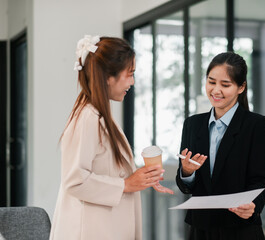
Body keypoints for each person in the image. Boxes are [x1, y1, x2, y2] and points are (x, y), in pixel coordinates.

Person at [50, 35, 173, 240]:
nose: (132, 82)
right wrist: (126, 184)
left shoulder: (101, 115)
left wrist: (140, 179)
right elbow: (74, 181)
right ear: (108, 76)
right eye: (130, 74)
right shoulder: (88, 118)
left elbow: (107, 169)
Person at [176, 52, 265, 240]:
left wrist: (253, 204)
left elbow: (262, 181)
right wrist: (187, 173)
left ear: (241, 87)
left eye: (225, 84)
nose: (216, 90)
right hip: (200, 230)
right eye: (211, 82)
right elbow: (186, 186)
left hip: (240, 229)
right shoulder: (192, 124)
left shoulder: (256, 125)